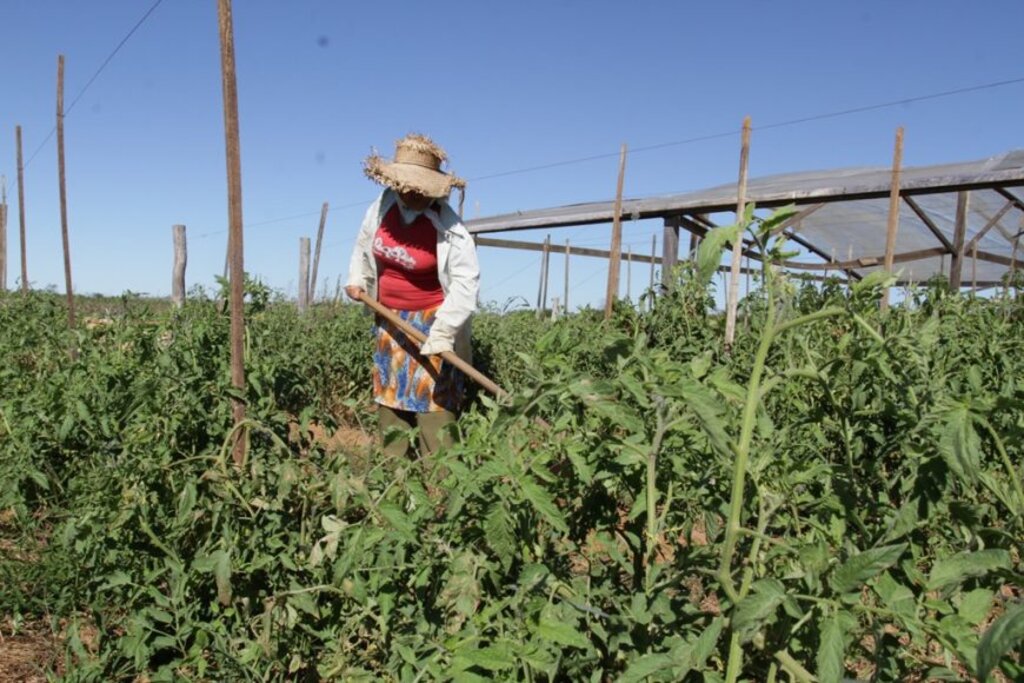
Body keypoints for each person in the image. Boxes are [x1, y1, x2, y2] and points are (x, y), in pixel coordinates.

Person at [344, 133, 480, 459]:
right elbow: (363, 246)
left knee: (435, 401)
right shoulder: (382, 208)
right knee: (391, 397)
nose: (412, 193)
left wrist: (443, 333)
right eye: (406, 186)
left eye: (421, 189)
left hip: (433, 321)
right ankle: (395, 479)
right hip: (388, 318)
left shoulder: (450, 228)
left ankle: (447, 483)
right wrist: (357, 279)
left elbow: (465, 284)